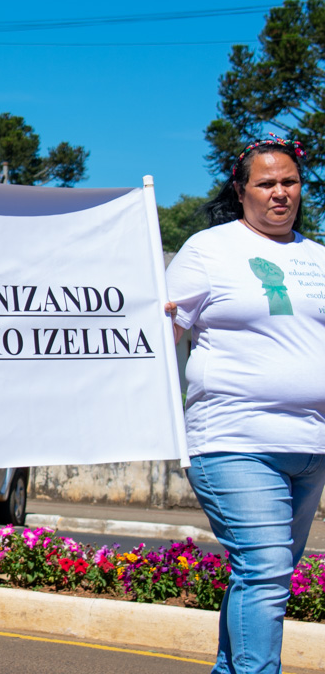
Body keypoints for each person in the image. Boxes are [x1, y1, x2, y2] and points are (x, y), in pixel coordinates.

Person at [165, 134, 325, 674]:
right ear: (241, 190)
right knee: (265, 568)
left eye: (290, 182)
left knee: (263, 574)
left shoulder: (318, 257)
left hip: (311, 446)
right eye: (266, 183)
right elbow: (160, 337)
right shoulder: (209, 250)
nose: (280, 193)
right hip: (234, 439)